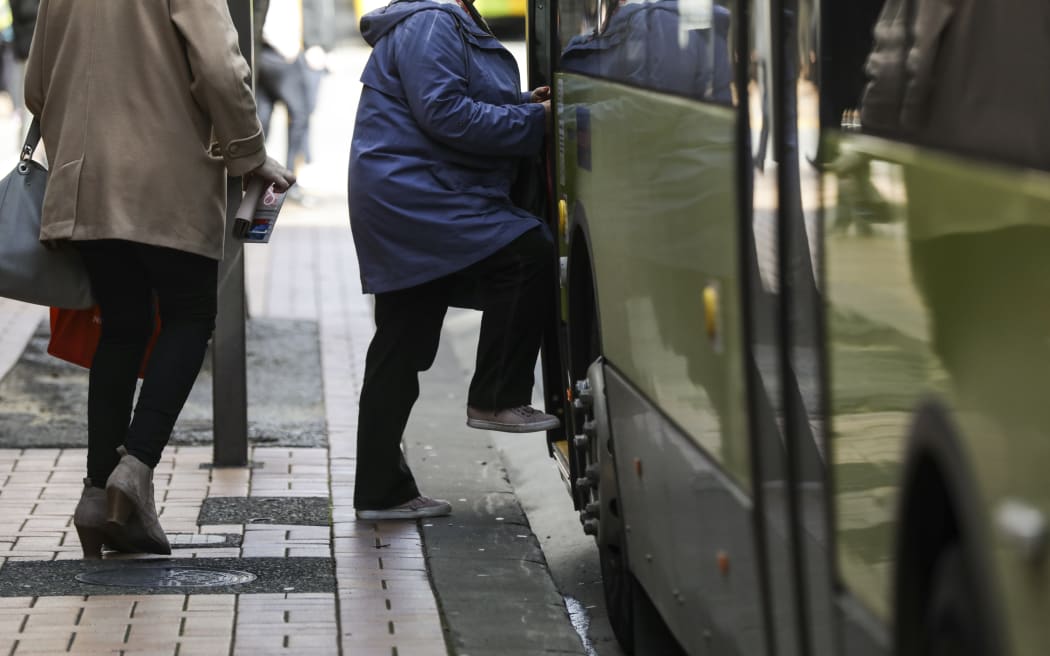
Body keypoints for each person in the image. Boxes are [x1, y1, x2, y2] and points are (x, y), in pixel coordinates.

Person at [25, 0, 295, 558]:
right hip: (168, 180)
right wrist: (249, 154)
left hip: (86, 182)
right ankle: (137, 465)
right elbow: (220, 67)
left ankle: (98, 492)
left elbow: (37, 85)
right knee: (190, 315)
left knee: (120, 326)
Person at [349, 0, 558, 520]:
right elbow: (444, 112)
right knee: (527, 252)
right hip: (419, 195)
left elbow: (455, 96)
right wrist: (534, 120)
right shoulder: (434, 21)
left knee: (402, 341)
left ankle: (380, 491)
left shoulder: (441, 17)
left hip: (416, 192)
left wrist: (521, 103)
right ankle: (495, 397)